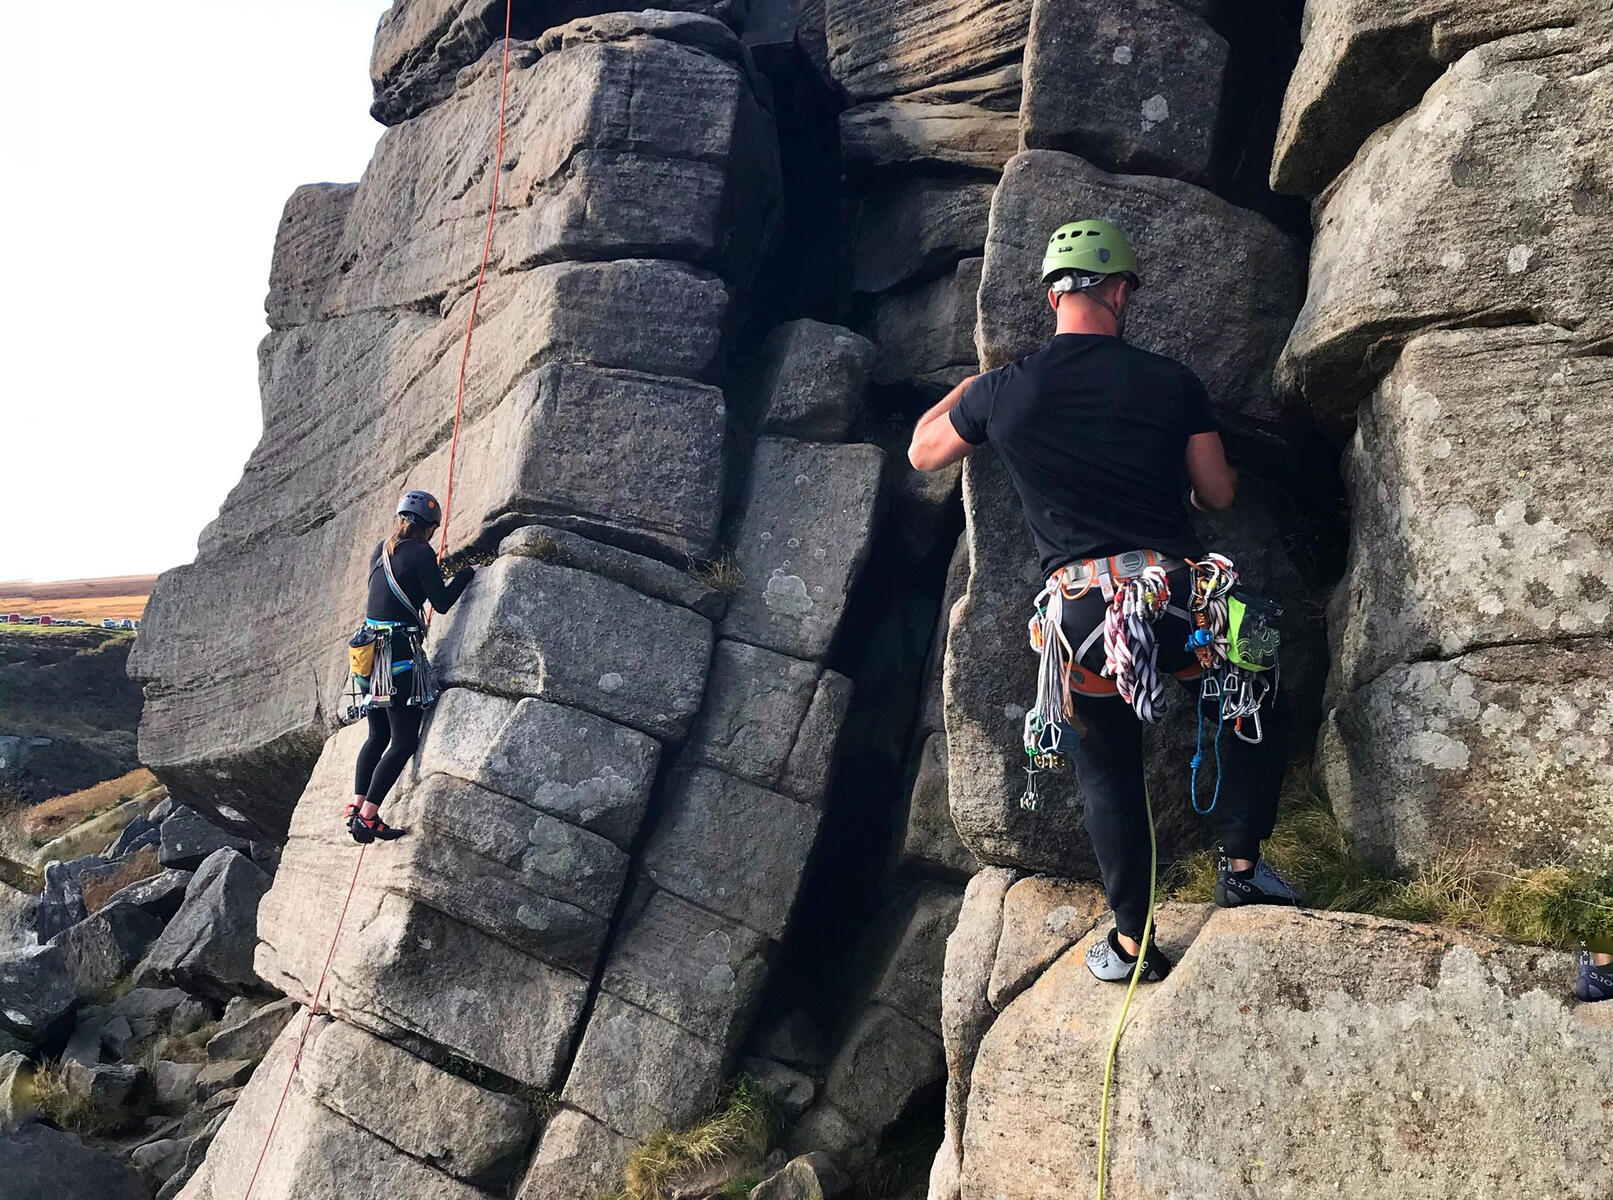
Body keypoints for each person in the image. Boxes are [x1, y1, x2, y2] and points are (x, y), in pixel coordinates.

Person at [907, 218, 1300, 984]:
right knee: (1255, 701)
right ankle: (1243, 863)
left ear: (1053, 296)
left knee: (1107, 767)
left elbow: (924, 450)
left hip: (1084, 617)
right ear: (1118, 290)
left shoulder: (1001, 394)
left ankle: (1130, 943)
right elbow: (1217, 493)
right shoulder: (1170, 381)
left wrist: (971, 387)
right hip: (1181, 597)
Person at [348, 490, 474, 844]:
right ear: (429, 527)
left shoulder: (381, 550)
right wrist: (466, 574)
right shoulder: (421, 553)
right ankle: (369, 818)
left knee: (377, 735)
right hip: (398, 660)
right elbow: (443, 603)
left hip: (368, 658)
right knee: (403, 742)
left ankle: (356, 807)